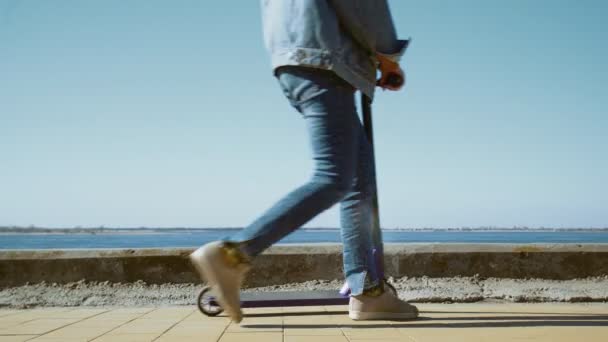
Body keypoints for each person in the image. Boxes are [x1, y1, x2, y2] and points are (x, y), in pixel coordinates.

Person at [190, 0, 418, 323]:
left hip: (296, 55)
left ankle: (367, 293)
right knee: (334, 177)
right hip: (324, 58)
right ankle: (233, 254)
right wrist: (387, 56)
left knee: (357, 182)